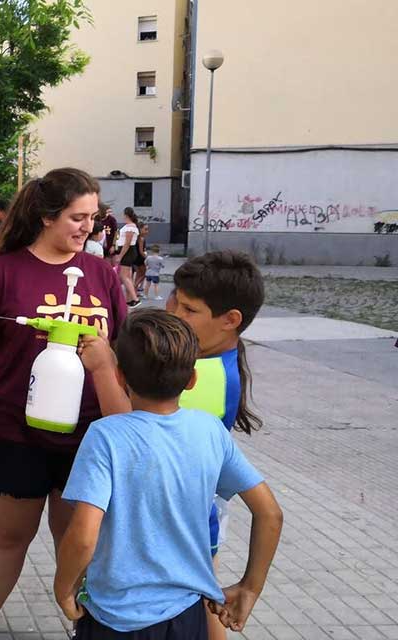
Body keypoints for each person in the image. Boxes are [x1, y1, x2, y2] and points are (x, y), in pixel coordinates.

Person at [0, 168, 129, 640]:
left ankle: (86, 630)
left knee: (75, 538)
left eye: (93, 218)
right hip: (16, 428)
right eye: (77, 217)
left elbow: (122, 351)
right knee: (10, 537)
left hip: (90, 434)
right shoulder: (5, 271)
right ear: (46, 216)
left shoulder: (101, 274)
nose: (87, 228)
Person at [55, 309, 283, 638]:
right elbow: (270, 514)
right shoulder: (209, 430)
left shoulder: (105, 436)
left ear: (119, 376)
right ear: (192, 378)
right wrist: (250, 587)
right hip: (187, 617)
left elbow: (84, 535)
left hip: (114, 618)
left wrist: (63, 587)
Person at [166, 250, 266, 640]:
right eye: (176, 302)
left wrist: (107, 369)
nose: (174, 315)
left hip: (182, 519)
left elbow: (129, 423)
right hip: (197, 512)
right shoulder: (210, 361)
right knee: (203, 597)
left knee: (203, 605)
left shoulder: (199, 380)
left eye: (189, 310)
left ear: (230, 321)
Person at [113, 208, 141, 307]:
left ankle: (135, 298)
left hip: (127, 252)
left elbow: (127, 243)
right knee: (127, 276)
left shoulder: (130, 227)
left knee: (124, 276)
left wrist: (120, 255)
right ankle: (129, 299)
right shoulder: (130, 226)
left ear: (126, 215)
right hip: (129, 252)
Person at [132, 223, 149, 294]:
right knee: (145, 273)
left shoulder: (136, 237)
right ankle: (134, 288)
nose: (147, 231)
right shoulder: (141, 238)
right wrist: (148, 258)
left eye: (147, 229)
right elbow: (141, 251)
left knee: (138, 274)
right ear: (140, 229)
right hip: (140, 259)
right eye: (145, 229)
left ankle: (135, 291)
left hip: (135, 258)